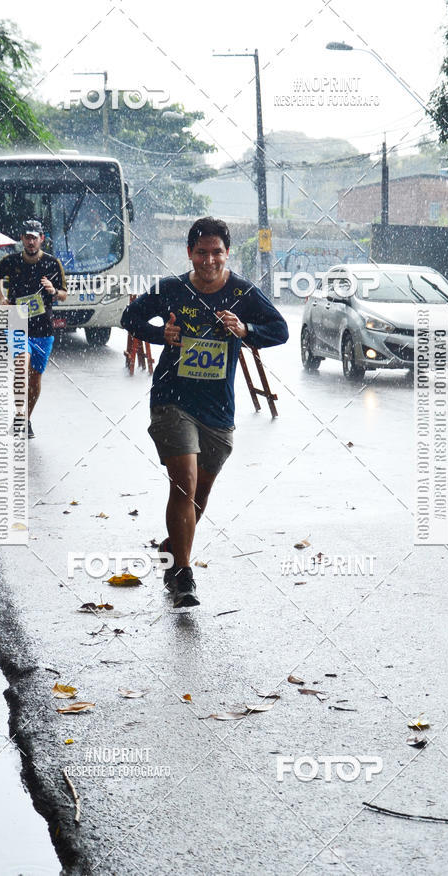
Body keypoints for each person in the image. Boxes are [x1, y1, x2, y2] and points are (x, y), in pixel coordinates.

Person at [121, 217, 289, 608]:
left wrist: (245, 330)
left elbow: (279, 329)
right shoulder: (171, 289)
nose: (209, 260)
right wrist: (160, 334)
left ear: (227, 253)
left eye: (217, 253)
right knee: (184, 484)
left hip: (218, 409)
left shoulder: (243, 293)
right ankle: (183, 576)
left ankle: (172, 549)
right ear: (189, 253)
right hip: (172, 400)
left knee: (199, 495)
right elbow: (130, 318)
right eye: (201, 253)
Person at [0, 219, 67, 439]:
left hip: (43, 328)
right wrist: (1, 298)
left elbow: (64, 294)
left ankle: (26, 419)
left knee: (35, 379)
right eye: (27, 237)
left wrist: (53, 291)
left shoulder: (52, 263)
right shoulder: (10, 261)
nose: (31, 242)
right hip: (17, 322)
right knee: (20, 365)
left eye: (34, 237)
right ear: (22, 239)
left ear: (41, 239)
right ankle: (18, 413)